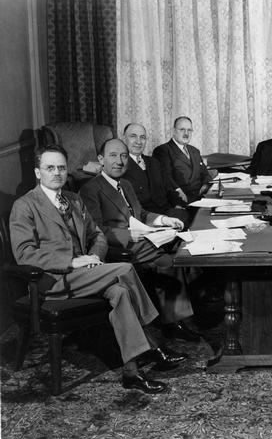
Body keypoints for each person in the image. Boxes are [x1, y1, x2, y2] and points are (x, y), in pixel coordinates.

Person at [9, 144, 188, 394]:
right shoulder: (25, 205)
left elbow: (98, 235)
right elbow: (24, 254)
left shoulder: (73, 199)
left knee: (122, 293)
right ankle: (153, 341)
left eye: (61, 167)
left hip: (88, 272)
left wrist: (94, 256)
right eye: (50, 168)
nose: (57, 173)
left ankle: (131, 372)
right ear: (38, 172)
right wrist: (71, 261)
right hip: (53, 280)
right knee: (125, 269)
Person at [79, 138, 202, 343]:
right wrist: (129, 235)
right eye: (113, 155)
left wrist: (163, 219)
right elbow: (95, 230)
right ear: (101, 159)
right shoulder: (90, 189)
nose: (119, 161)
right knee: (176, 255)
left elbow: (141, 214)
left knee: (170, 259)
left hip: (142, 243)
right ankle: (162, 327)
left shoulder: (125, 184)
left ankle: (174, 322)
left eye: (124, 156)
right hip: (118, 249)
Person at [122, 123, 190, 226]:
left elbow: (169, 189)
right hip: (146, 219)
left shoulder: (154, 162)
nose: (138, 141)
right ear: (124, 139)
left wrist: (178, 204)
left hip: (168, 212)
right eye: (133, 136)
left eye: (143, 137)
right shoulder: (120, 166)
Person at [152, 116, 212, 203]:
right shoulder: (163, 150)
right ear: (173, 131)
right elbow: (166, 178)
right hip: (180, 199)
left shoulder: (195, 151)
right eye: (182, 129)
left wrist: (206, 185)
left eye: (189, 130)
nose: (186, 133)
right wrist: (178, 192)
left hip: (201, 197)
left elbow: (205, 174)